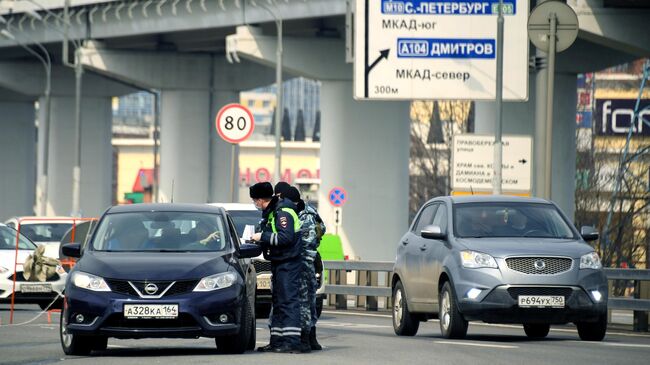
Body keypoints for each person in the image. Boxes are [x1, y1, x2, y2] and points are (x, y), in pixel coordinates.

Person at [250, 182, 303, 353]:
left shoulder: (283, 212)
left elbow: (285, 238)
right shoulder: (273, 212)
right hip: (280, 262)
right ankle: (278, 341)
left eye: (254, 200)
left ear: (259, 200)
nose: (255, 204)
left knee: (288, 302)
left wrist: (262, 236)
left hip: (289, 263)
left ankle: (292, 341)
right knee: (279, 303)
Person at [283, 186, 325, 351]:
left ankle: (307, 338)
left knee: (306, 301)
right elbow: (322, 229)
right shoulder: (309, 211)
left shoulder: (305, 214)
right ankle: (309, 337)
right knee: (308, 300)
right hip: (305, 260)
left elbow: (308, 240)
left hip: (304, 261)